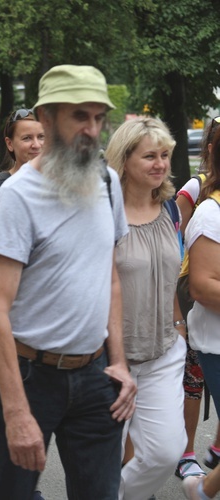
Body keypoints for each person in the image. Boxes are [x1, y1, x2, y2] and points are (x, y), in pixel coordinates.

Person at [0, 65, 137, 499]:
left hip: (95, 374)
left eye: (99, 118)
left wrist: (119, 362)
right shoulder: (16, 196)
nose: (92, 129)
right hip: (27, 377)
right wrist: (15, 411)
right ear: (46, 119)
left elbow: (110, 277)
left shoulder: (107, 182)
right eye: (79, 116)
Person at [104, 117, 187, 498]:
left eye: (165, 155)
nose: (160, 164)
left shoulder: (170, 208)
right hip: (110, 357)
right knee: (104, 457)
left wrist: (179, 326)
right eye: (149, 156)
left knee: (166, 452)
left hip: (163, 351)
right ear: (124, 159)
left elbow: (166, 273)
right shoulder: (102, 211)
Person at [175, 115, 220, 480]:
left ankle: (210, 470)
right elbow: (201, 284)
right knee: (192, 383)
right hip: (207, 325)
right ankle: (186, 452)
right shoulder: (204, 199)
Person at [0, 108, 44, 259]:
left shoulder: (62, 188)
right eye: (27, 138)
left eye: (41, 137)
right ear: (9, 144)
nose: (36, 144)